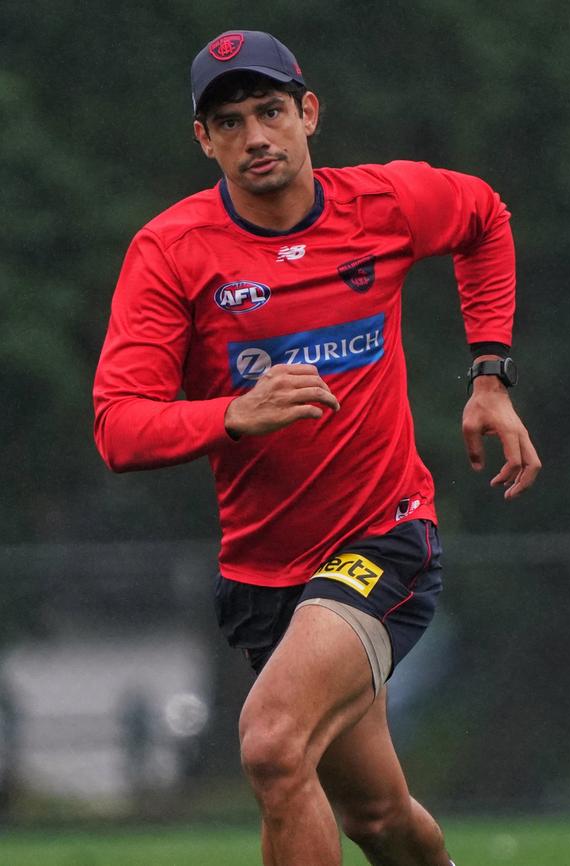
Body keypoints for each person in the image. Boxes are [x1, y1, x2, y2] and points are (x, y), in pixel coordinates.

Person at [93, 28, 541, 866]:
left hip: (385, 537)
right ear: (204, 140)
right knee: (377, 817)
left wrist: (490, 378)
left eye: (270, 111)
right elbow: (118, 426)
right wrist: (231, 414)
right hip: (264, 574)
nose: (255, 136)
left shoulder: (384, 204)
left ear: (309, 113)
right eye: (228, 122)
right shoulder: (171, 253)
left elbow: (485, 217)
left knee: (269, 741)